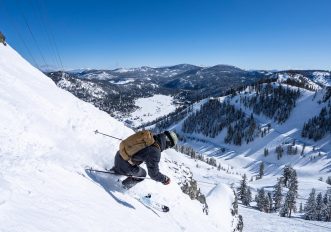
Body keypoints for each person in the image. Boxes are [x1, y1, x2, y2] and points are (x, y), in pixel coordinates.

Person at [113, 131, 178, 189]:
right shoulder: (155, 151)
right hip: (124, 164)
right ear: (168, 143)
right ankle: (122, 188)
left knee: (118, 170)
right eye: (170, 146)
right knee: (142, 175)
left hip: (119, 154)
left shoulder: (149, 137)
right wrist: (164, 179)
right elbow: (153, 174)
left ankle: (114, 173)